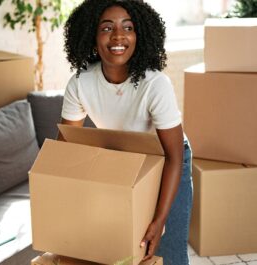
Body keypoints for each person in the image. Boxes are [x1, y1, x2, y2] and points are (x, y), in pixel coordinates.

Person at [59, 1, 193, 265]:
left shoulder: (155, 85)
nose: (118, 36)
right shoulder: (80, 83)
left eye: (128, 27)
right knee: (124, 250)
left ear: (139, 35)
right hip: (125, 160)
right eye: (107, 28)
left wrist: (160, 219)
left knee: (168, 251)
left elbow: (174, 157)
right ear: (91, 35)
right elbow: (66, 151)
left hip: (170, 160)